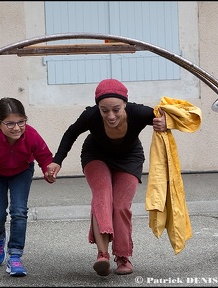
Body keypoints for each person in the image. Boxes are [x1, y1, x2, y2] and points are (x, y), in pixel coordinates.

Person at [45, 79, 167, 276]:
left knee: (120, 206)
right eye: (104, 110)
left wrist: (165, 122)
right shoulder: (91, 116)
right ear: (98, 107)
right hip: (96, 156)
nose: (110, 115)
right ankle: (102, 255)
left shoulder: (139, 112)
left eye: (116, 109)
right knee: (102, 195)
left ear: (125, 104)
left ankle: (123, 256)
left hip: (129, 158)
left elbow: (169, 115)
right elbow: (71, 132)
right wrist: (57, 160)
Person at [0, 97, 54, 277]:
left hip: (21, 172)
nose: (16, 128)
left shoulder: (31, 134)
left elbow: (44, 155)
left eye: (21, 122)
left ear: (26, 119)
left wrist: (48, 171)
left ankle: (15, 256)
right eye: (9, 123)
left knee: (18, 211)